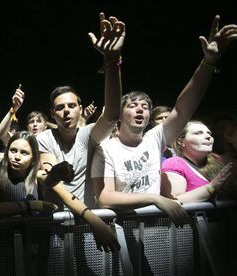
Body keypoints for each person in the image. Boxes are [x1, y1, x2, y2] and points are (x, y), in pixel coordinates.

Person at [91, 15, 237, 227]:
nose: (140, 109)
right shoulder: (106, 149)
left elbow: (184, 107)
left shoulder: (155, 138)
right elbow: (105, 197)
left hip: (157, 229)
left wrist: (208, 62)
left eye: (146, 106)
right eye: (132, 105)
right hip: (121, 230)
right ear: (120, 114)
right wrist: (154, 198)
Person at [37, 12, 124, 253]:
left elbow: (113, 114)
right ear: (52, 114)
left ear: (80, 108)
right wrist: (95, 219)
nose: (66, 111)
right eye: (59, 108)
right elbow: (52, 183)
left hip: (85, 228)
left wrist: (112, 62)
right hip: (53, 229)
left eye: (71, 106)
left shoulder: (87, 135)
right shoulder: (43, 138)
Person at [0, 131, 57, 218]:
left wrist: (57, 174)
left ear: (33, 158)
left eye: (24, 153)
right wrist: (33, 205)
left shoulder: (36, 176)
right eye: (13, 151)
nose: (17, 157)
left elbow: (48, 179)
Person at [161, 121, 235, 203]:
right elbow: (173, 202)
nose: (208, 136)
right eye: (198, 133)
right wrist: (212, 187)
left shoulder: (216, 159)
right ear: (181, 142)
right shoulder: (174, 163)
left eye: (209, 133)